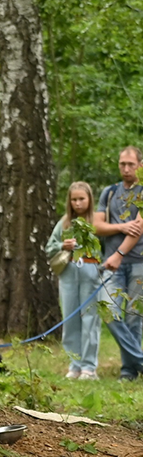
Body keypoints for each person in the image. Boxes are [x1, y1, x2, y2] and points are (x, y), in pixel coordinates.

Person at [94, 146, 143, 381]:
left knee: (134, 317)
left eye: (130, 164)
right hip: (111, 264)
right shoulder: (110, 192)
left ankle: (129, 370)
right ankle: (140, 362)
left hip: (138, 263)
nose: (125, 168)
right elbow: (97, 225)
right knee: (108, 311)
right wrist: (121, 226)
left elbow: (139, 227)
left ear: (140, 165)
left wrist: (119, 253)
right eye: (122, 164)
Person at [45, 181, 103, 380]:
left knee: (90, 318)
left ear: (89, 199)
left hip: (91, 271)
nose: (78, 203)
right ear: (69, 202)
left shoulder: (97, 221)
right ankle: (75, 364)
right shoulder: (64, 223)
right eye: (74, 199)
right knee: (70, 319)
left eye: (82, 199)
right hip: (68, 272)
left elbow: (107, 245)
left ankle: (89, 367)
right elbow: (49, 247)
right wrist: (63, 244)